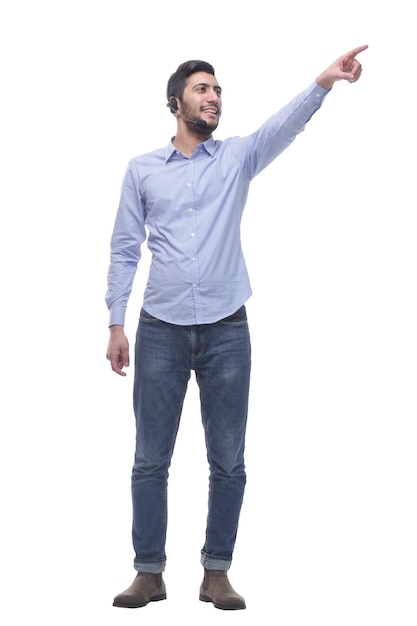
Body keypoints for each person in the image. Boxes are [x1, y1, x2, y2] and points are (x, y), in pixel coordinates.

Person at [105, 44, 368, 611]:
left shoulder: (237, 159)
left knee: (228, 459)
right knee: (150, 457)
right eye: (202, 89)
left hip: (228, 327)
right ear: (176, 103)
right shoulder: (142, 170)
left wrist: (321, 83)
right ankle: (148, 572)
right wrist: (115, 322)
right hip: (160, 330)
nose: (214, 97)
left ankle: (215, 573)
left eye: (218, 90)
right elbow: (126, 249)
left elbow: (283, 127)